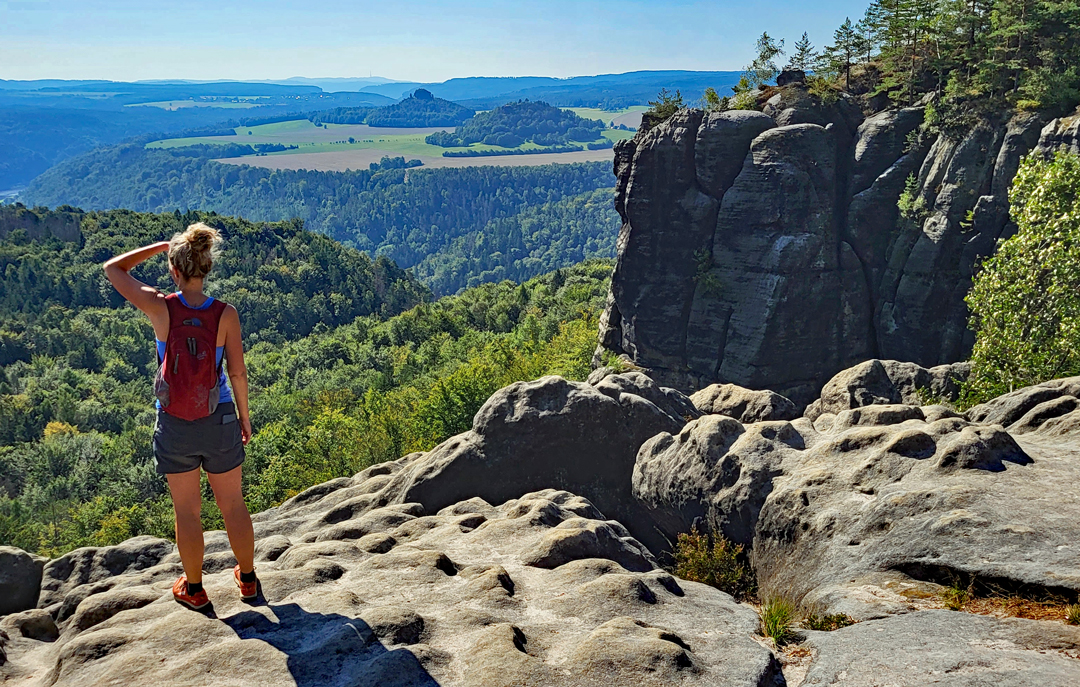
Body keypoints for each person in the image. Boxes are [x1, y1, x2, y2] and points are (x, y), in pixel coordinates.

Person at [103, 223, 258, 609]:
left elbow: (113, 269)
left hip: (174, 423)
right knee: (233, 505)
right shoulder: (225, 314)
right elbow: (237, 373)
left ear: (174, 269)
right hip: (219, 416)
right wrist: (244, 417)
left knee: (187, 511)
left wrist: (159, 246)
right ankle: (248, 580)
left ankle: (194, 589)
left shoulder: (160, 306)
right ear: (207, 267)